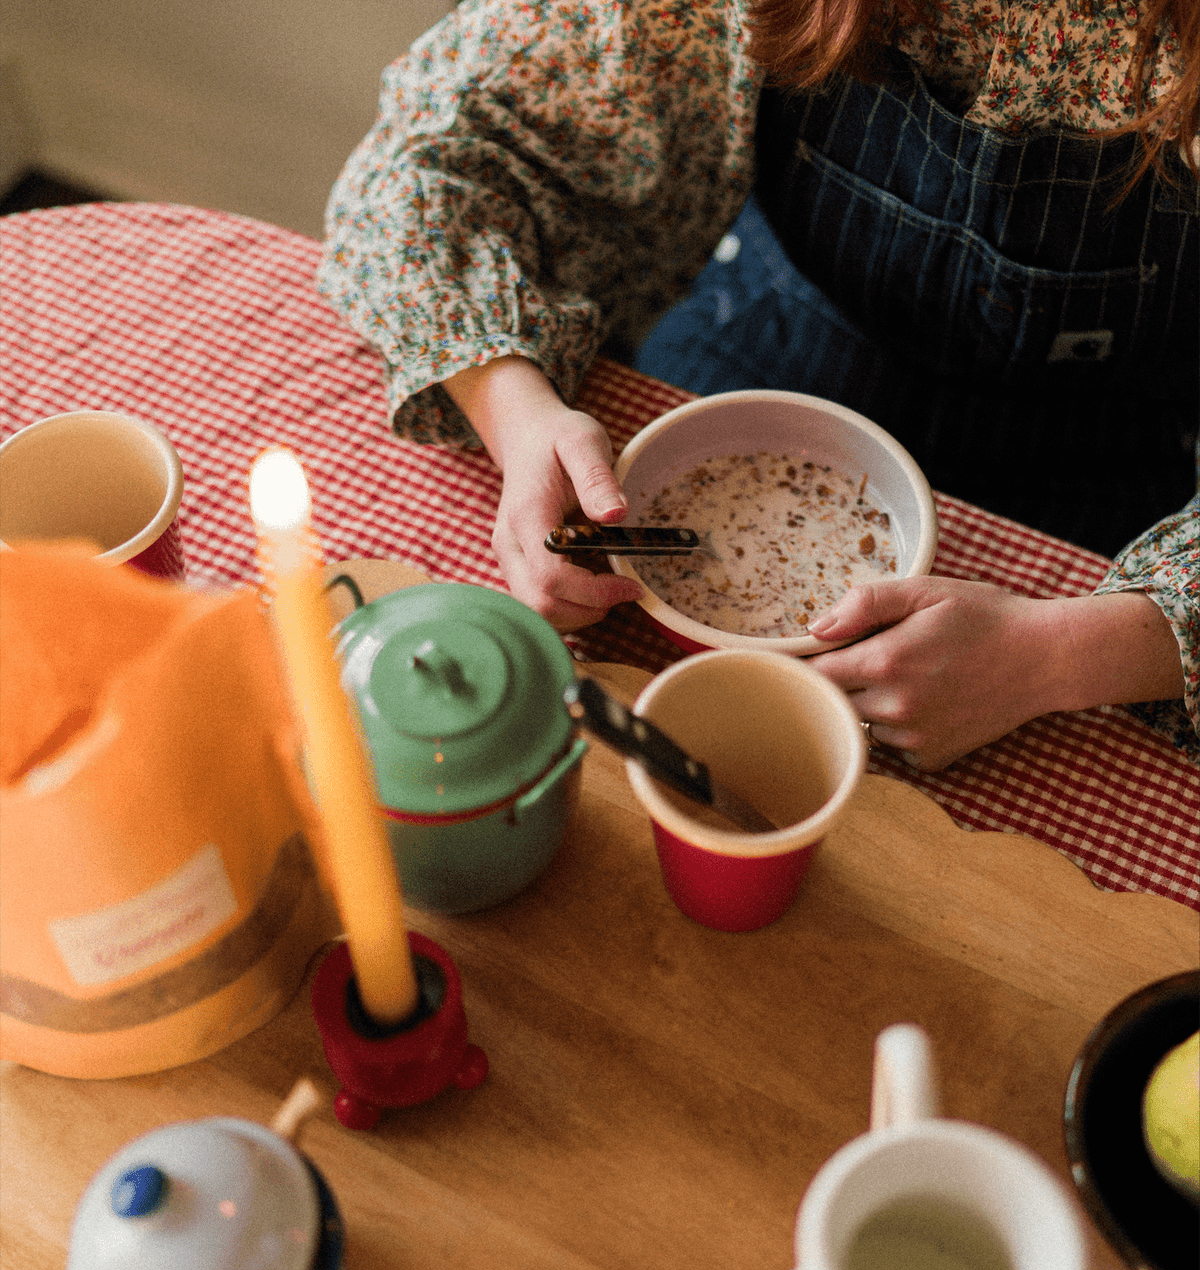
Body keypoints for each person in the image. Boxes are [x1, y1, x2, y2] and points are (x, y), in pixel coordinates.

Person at [318, 0, 1198, 769]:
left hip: (1102, 462)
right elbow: (438, 157)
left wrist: (1053, 658)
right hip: (768, 341)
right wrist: (516, 414)